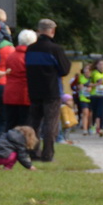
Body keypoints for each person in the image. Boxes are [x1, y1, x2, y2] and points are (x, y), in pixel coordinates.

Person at [24, 19, 73, 163]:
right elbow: (64, 70)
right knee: (50, 123)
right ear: (52, 31)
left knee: (34, 123)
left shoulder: (30, 49)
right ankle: (47, 154)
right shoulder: (55, 49)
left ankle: (33, 152)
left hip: (34, 90)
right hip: (52, 91)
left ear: (39, 30)